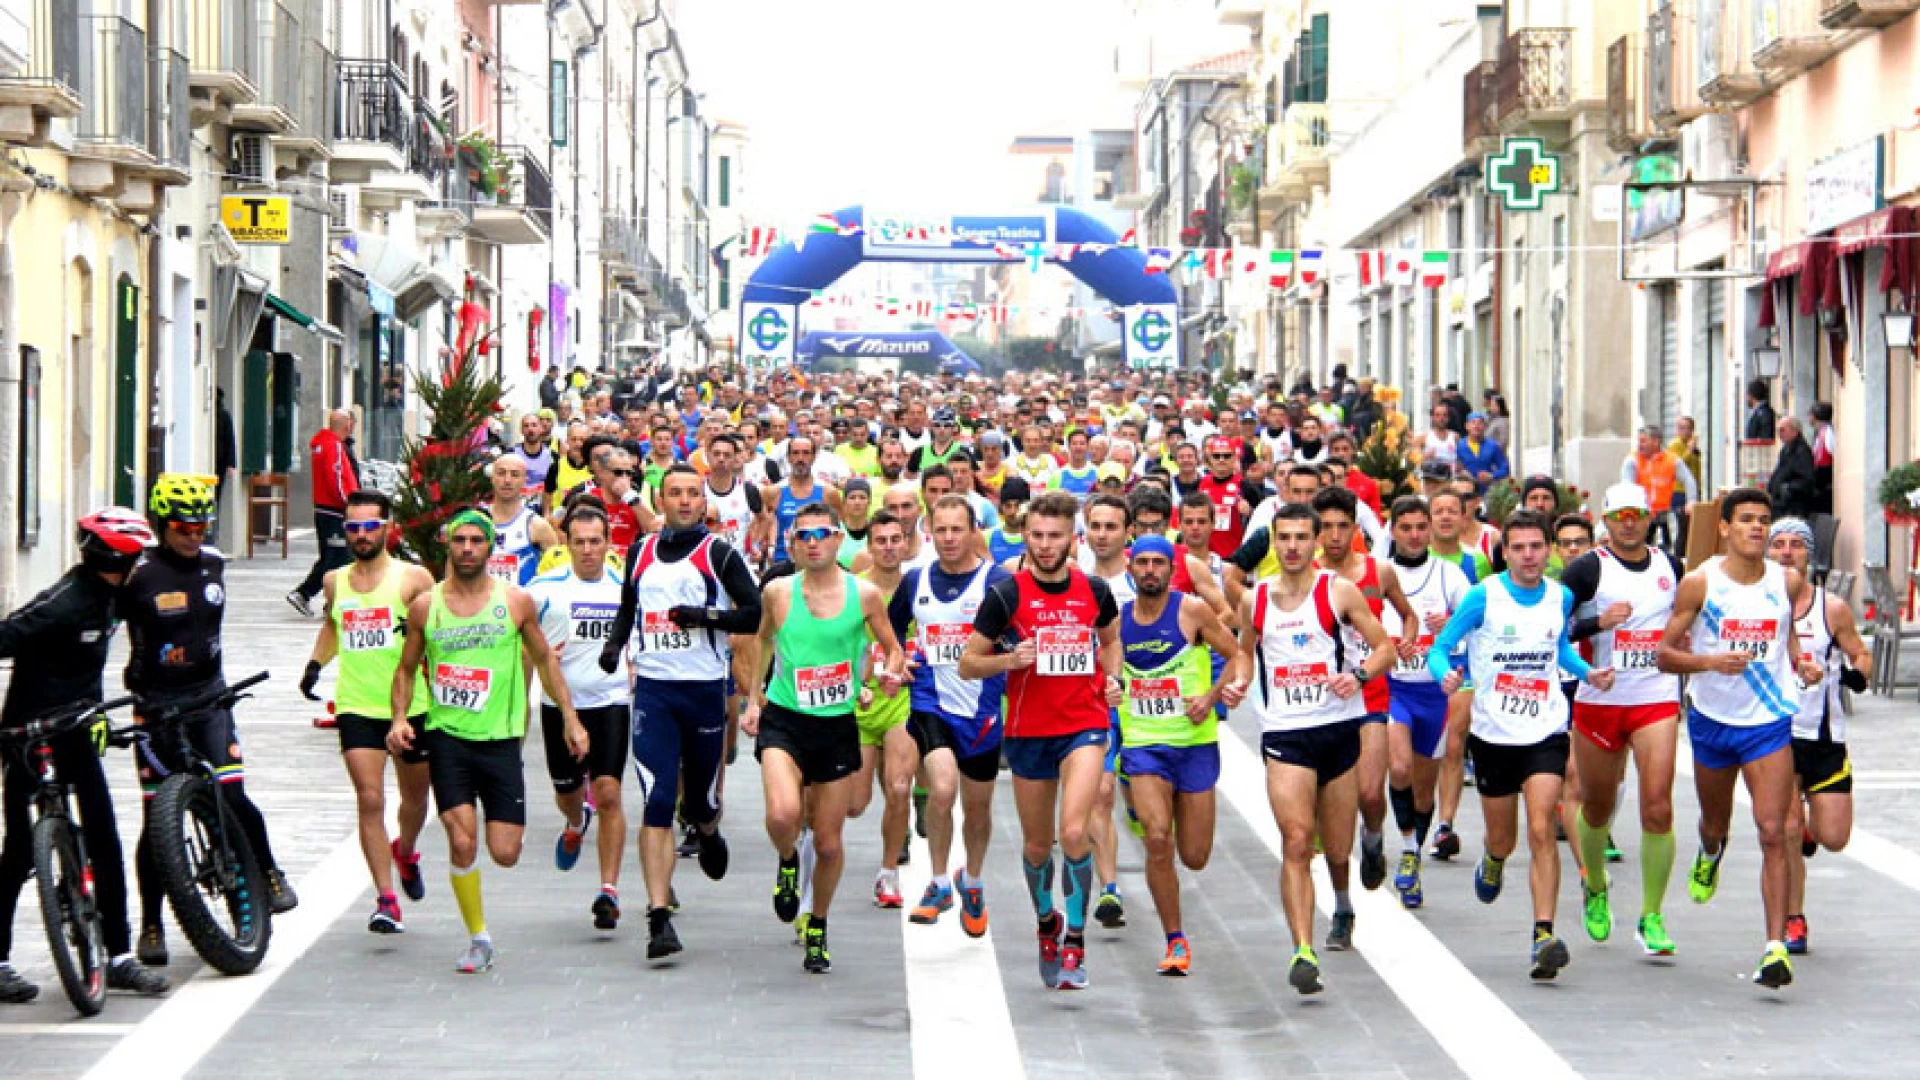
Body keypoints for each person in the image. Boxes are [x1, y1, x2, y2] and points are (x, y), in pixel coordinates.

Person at [391, 510, 586, 974]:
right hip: (447, 738)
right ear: (448, 546)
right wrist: (399, 716)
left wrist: (570, 719)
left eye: (477, 540)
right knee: (462, 842)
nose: (467, 549)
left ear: (490, 548)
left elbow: (544, 659)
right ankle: (478, 937)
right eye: (460, 540)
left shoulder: (515, 602)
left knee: (505, 852)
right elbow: (404, 668)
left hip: (500, 741)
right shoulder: (426, 606)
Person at [1430, 510, 1614, 982]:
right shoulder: (1482, 597)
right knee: (1504, 839)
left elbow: (1559, 650)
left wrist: (1586, 672)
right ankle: (1493, 862)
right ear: (1505, 553)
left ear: (1548, 550)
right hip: (1493, 734)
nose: (1530, 556)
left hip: (1546, 729)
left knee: (1540, 826)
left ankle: (1543, 935)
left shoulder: (1560, 596)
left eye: (1537, 546)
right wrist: (1445, 674)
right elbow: (1440, 646)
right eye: (1520, 548)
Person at [0, 508, 171, 1002]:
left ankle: (118, 957)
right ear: (123, 559)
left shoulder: (113, 597)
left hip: (76, 729)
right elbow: (7, 633)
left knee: (104, 837)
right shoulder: (65, 601)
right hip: (27, 733)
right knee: (15, 851)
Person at [1656, 488, 1824, 990]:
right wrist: (1710, 661)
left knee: (1775, 830)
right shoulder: (1699, 583)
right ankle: (1710, 853)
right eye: (1747, 519)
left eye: (1764, 521)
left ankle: (1774, 948)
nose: (1757, 528)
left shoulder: (1787, 580)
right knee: (1715, 822)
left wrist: (1801, 663)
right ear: (1725, 527)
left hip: (1768, 720)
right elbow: (1665, 655)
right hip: (1712, 719)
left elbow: (1785, 636)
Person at [959, 490, 1123, 992]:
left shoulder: (1094, 589)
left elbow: (1111, 638)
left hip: (1084, 723)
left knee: (1074, 832)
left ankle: (1075, 938)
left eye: (1055, 537)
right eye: (1037, 536)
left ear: (1072, 540)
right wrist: (1011, 661)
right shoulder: (1007, 595)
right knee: (1036, 845)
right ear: (1025, 537)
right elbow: (968, 663)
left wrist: (1113, 679)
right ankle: (1047, 922)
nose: (1046, 545)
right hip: (1029, 730)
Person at [1227, 503, 1394, 994]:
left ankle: (1342, 902)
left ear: (1316, 541)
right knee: (1298, 840)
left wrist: (1358, 676)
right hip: (1284, 733)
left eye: (1302, 537)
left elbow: (1383, 646)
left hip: (1338, 729)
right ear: (1274, 544)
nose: (1293, 546)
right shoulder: (1254, 599)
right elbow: (1244, 650)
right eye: (1285, 538)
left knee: (1337, 845)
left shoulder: (1337, 591)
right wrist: (1239, 682)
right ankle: (1303, 948)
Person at [602, 465, 762, 958]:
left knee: (694, 804)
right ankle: (658, 917)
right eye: (676, 494)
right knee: (655, 800)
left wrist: (704, 617)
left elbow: (752, 613)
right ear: (662, 500)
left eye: (694, 493)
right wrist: (613, 646)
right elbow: (629, 609)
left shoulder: (718, 553)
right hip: (654, 692)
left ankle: (708, 826)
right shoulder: (640, 552)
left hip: (702, 692)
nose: (687, 501)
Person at [739, 503, 906, 974]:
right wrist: (754, 699)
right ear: (792, 543)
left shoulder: (866, 595)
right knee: (783, 813)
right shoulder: (777, 592)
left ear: (838, 540)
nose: (813, 542)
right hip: (785, 718)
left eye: (822, 534)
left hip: (835, 724)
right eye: (803, 535)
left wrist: (889, 676)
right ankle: (789, 859)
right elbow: (763, 641)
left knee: (830, 842)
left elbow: (893, 649)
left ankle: (818, 924)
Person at [299, 490, 435, 934]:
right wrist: (315, 665)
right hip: (357, 704)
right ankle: (385, 898)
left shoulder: (414, 579)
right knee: (370, 799)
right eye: (353, 528)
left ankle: (407, 852)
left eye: (369, 527)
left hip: (411, 705)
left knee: (415, 800)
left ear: (387, 529)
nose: (360, 536)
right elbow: (333, 625)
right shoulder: (335, 581)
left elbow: (438, 633)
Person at [1560, 484, 1686, 956]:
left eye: (1636, 514)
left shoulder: (1670, 566)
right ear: (1605, 521)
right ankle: (1595, 886)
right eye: (1619, 516)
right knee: (1596, 808)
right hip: (1600, 698)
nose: (1628, 523)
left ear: (1649, 518)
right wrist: (1598, 624)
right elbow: (1552, 625)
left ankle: (1651, 916)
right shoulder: (1588, 568)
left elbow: (1689, 616)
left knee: (1658, 806)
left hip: (1655, 697)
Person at [1115, 536, 1241, 975]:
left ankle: (1158, 812)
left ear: (1171, 570)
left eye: (1158, 563)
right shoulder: (1116, 622)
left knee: (1195, 855)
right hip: (1144, 745)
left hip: (1193, 745)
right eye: (1142, 563)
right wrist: (1110, 687)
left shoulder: (1191, 611)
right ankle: (1175, 940)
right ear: (1131, 569)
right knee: (1156, 839)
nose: (1150, 570)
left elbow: (1238, 655)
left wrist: (1212, 696)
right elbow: (1105, 672)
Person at [897, 498, 1011, 935]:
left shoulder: (998, 583)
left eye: (956, 530)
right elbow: (889, 631)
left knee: (978, 810)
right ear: (929, 530)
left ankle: (973, 880)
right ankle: (940, 880)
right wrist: (897, 659)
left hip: (981, 709)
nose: (947, 539)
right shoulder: (916, 580)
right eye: (940, 530)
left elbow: (1020, 638)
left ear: (972, 531)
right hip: (931, 702)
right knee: (942, 789)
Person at [1312, 485, 1419, 937]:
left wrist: (1407, 638)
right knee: (1334, 814)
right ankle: (1341, 906)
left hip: (1371, 693)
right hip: (1324, 703)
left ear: (1356, 529)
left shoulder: (1378, 571)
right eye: (1327, 528)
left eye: (1343, 526)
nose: (1335, 536)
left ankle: (1373, 839)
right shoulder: (1308, 575)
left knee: (1371, 795)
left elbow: (1407, 615)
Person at [1767, 516, 1870, 957]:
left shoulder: (1832, 609)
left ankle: (1810, 832)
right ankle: (1793, 918)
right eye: (1779, 545)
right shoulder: (1758, 606)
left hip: (1824, 737)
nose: (1787, 552)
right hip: (1776, 734)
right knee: (1786, 829)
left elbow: (1860, 653)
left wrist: (1856, 675)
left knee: (1834, 837)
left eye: (1797, 545)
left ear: (1810, 555)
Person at [528, 506, 633, 932]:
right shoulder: (543, 589)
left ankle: (608, 890)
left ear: (608, 543)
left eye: (596, 541)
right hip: (560, 706)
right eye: (579, 542)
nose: (588, 550)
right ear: (566, 543)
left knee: (608, 793)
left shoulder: (625, 587)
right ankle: (574, 821)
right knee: (569, 792)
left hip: (609, 702)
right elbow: (516, 631)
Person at [1381, 496, 1470, 910]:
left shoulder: (1449, 576)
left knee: (1422, 790)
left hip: (1435, 695)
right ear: (1393, 530)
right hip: (1394, 688)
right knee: (1397, 767)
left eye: (1421, 527)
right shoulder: (1379, 574)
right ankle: (1405, 846)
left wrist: (1451, 625)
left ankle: (1413, 851)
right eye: (1407, 527)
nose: (1415, 535)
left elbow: (1480, 628)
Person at [852, 512, 919, 908]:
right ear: (871, 546)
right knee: (853, 805)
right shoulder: (854, 591)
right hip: (859, 703)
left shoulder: (919, 588)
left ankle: (888, 872)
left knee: (897, 787)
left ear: (907, 543)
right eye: (882, 540)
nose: (890, 546)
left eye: (897, 539)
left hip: (901, 702)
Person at [288, 409, 361, 617]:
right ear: (347, 425)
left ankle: (327, 600)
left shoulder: (321, 445)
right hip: (335, 511)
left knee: (332, 557)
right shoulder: (334, 446)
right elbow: (336, 478)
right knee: (338, 558)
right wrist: (349, 504)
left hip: (324, 509)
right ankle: (306, 594)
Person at [486, 453, 560, 586]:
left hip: (523, 602)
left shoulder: (537, 525)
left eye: (515, 475)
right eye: (501, 473)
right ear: (492, 478)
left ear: (525, 480)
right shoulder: (477, 520)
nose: (507, 480)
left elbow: (557, 570)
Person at [1766, 417, 1817, 522]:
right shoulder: (1786, 450)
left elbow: (1807, 480)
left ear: (1794, 431)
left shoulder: (1801, 451)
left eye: (1782, 430)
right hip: (1781, 506)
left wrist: (1786, 489)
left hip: (1793, 508)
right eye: (1778, 430)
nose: (1779, 434)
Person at [1456, 413, 1510, 494]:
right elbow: (1454, 466)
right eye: (1473, 422)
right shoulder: (1459, 445)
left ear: (1485, 426)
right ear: (1467, 426)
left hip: (1488, 491)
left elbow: (1505, 468)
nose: (1476, 426)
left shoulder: (1492, 446)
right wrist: (1462, 472)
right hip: (1466, 491)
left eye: (1480, 423)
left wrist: (1492, 475)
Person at [1807, 403, 1834, 516]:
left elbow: (1831, 450)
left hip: (1824, 480)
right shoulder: (1820, 431)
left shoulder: (1827, 431)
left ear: (1814, 416)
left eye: (1809, 414)